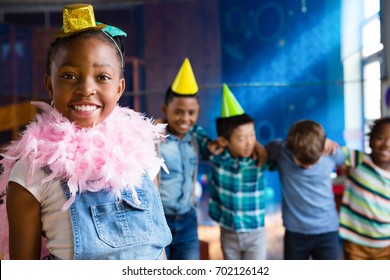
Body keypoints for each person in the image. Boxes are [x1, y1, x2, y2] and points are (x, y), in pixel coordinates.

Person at [0, 3, 171, 260]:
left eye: (102, 77)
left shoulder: (143, 153)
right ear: (49, 85)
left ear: (119, 88)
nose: (86, 89)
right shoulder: (31, 170)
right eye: (69, 76)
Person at [158, 57, 216, 260]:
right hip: (159, 220)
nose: (185, 118)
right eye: (178, 112)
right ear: (166, 110)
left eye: (191, 112)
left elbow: (213, 149)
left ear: (198, 112)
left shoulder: (196, 138)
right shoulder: (157, 138)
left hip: (188, 219)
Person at [264, 120, 346, 260]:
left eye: (313, 161)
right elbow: (267, 149)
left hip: (327, 231)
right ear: (290, 147)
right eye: (302, 162)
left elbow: (343, 159)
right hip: (295, 233)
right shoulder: (282, 149)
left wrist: (326, 142)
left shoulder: (330, 152)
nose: (308, 166)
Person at [208, 84, 271, 260]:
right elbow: (200, 140)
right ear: (224, 141)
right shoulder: (218, 158)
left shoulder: (259, 159)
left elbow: (281, 152)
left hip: (255, 232)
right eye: (242, 138)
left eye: (253, 135)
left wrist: (261, 147)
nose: (249, 142)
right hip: (228, 230)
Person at [339, 117, 390, 260]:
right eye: (380, 138)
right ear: (370, 140)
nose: (386, 144)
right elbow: (334, 152)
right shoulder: (358, 159)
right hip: (355, 242)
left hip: (386, 245)